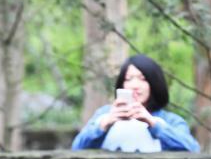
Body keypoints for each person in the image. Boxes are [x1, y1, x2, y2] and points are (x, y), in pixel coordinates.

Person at [72, 54, 200, 152]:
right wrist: (104, 125)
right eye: (128, 79)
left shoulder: (169, 120)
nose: (134, 85)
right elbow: (76, 149)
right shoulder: (104, 114)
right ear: (122, 85)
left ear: (154, 84)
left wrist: (153, 123)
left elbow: (193, 150)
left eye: (142, 79)